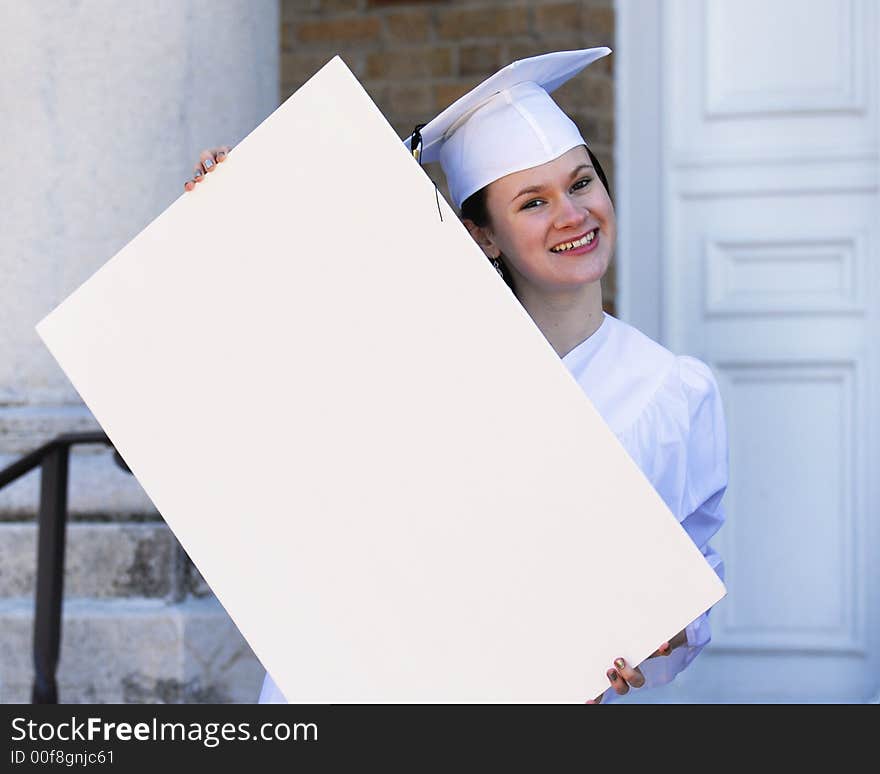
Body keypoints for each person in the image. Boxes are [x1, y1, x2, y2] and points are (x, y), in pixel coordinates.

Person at [187, 48, 727, 705]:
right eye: (533, 201)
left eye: (581, 183)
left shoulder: (668, 392)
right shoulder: (409, 352)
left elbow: (687, 578)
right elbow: (265, 370)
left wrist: (662, 636)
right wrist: (229, 213)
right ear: (483, 236)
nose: (572, 215)